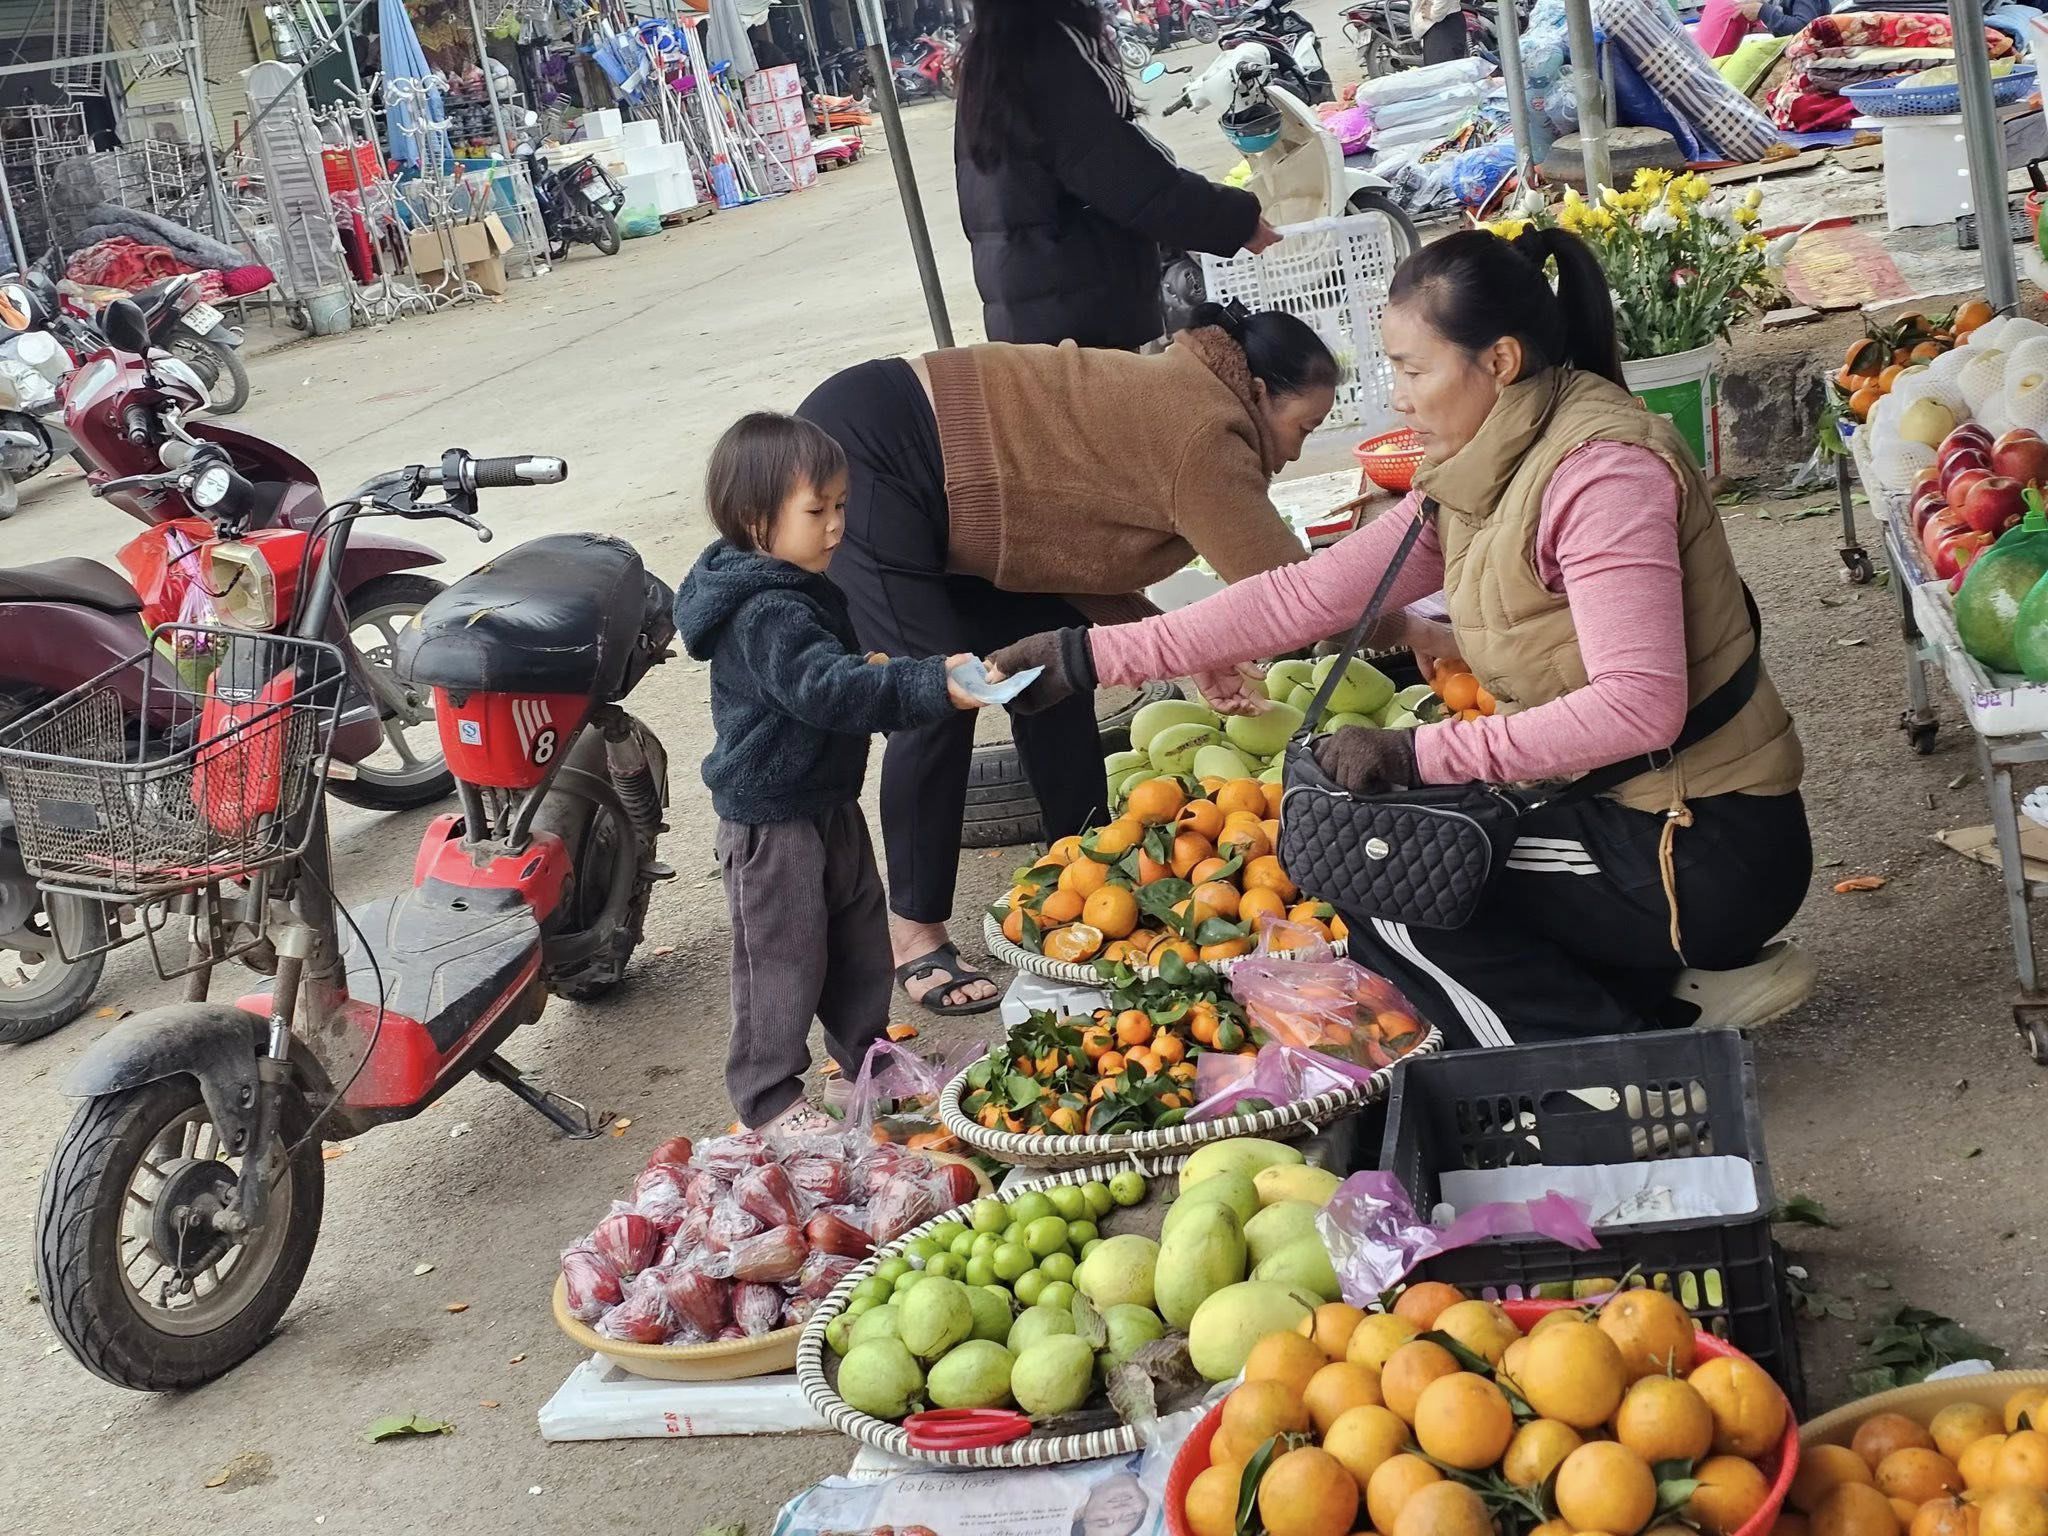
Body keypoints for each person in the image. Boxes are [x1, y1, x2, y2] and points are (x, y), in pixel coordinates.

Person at [990, 228, 1816, 1047]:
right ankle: (1662, 1001)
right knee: (1402, 852)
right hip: (1622, 810)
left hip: (1702, 844)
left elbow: (1639, 709)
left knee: (1386, 872)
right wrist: (1088, 656)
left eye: (1414, 368)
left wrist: (1417, 758)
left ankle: (1603, 1072)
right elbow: (1303, 595)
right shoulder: (1488, 465)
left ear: (1498, 362)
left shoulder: (1600, 475)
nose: (1399, 396)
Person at [797, 303, 1340, 1015]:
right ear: (1262, 394)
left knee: (1051, 666)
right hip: (874, 452)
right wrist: (1424, 632)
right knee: (940, 691)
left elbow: (1068, 541)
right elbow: (1295, 595)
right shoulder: (1207, 429)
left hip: (968, 506)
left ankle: (1083, 871)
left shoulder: (1195, 394)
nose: (1298, 452)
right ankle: (914, 934)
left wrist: (1184, 646)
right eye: (1304, 428)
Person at [673, 413, 986, 1136]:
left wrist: (875, 671)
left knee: (857, 943)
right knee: (778, 962)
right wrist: (928, 683)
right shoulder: (766, 610)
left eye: (842, 505)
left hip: (827, 801)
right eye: (818, 511)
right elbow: (823, 689)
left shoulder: (798, 585)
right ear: (755, 520)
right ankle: (768, 1098)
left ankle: (865, 1064)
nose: (837, 525)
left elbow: (831, 678)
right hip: (772, 820)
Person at [953, 0, 1280, 350]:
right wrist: (1237, 219)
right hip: (1076, 316)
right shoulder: (1050, 56)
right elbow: (1134, 181)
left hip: (1027, 307)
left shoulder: (989, 55)